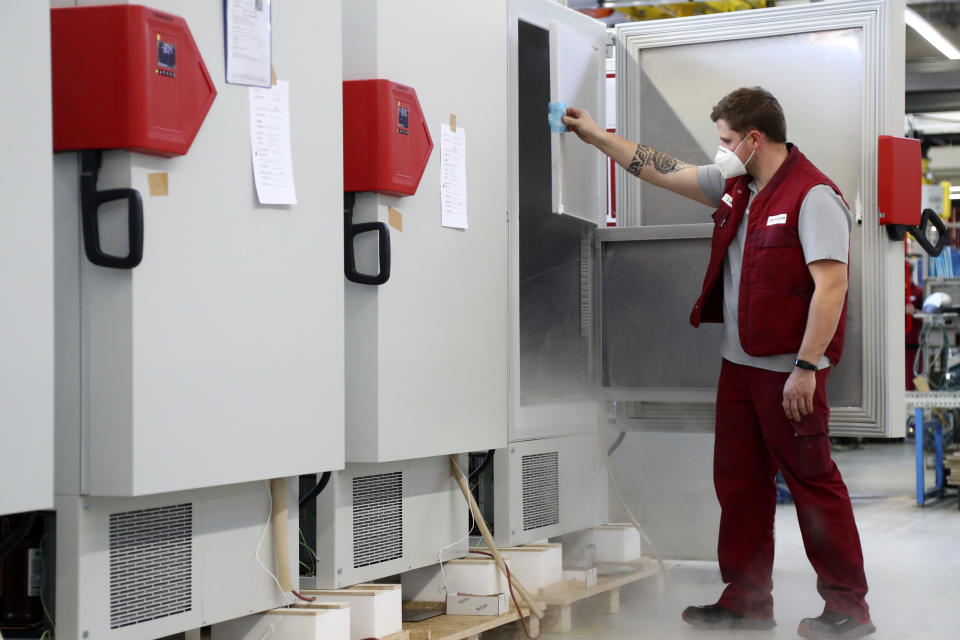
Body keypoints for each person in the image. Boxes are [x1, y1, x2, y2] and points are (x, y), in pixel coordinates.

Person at [563, 87, 874, 640]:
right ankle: (747, 600)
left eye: (727, 140)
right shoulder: (738, 187)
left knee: (814, 485)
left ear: (755, 139)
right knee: (739, 484)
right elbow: (662, 170)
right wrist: (595, 136)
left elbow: (832, 286)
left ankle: (849, 606)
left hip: (790, 373)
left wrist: (806, 367)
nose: (721, 149)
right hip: (739, 368)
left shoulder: (814, 195)